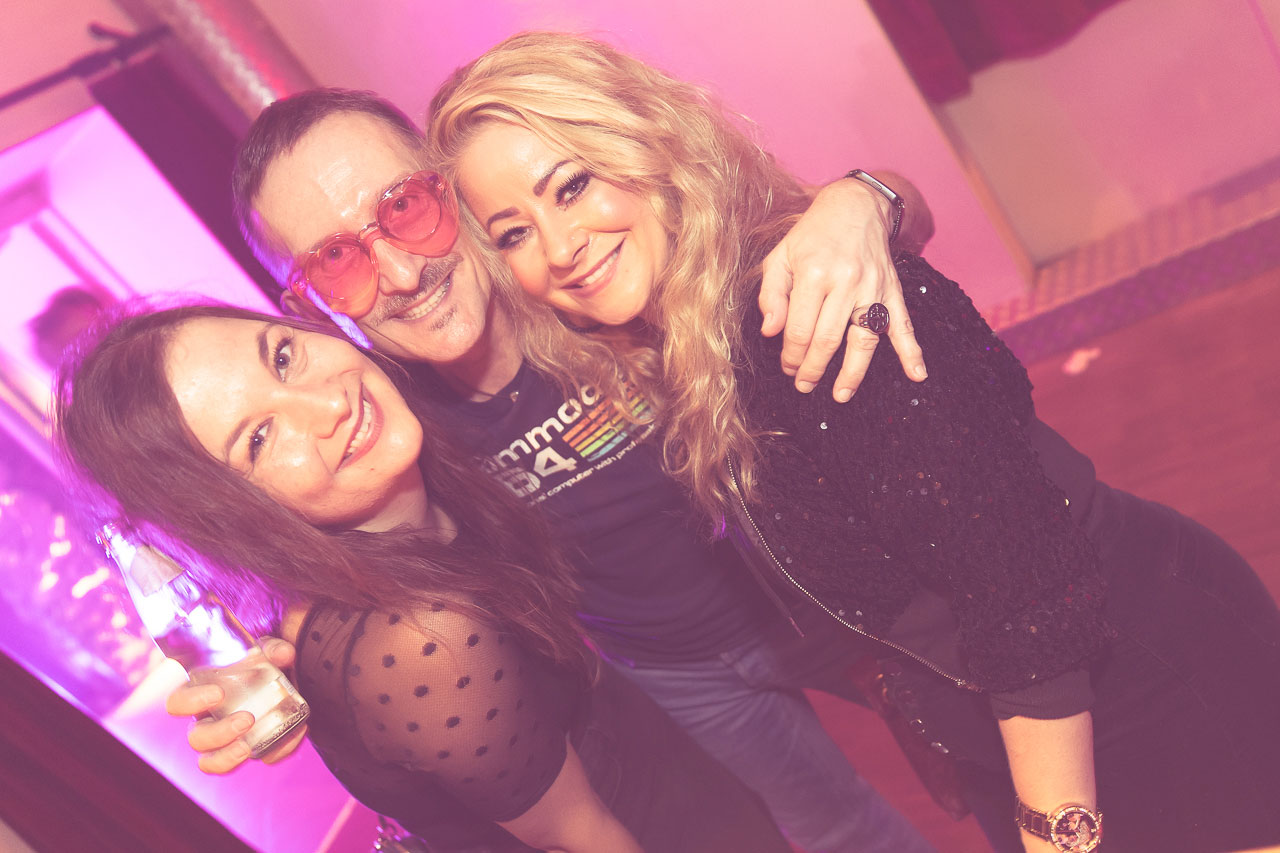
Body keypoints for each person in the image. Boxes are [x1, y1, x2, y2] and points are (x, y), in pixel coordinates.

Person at [426, 32, 1280, 853]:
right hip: (1019, 721)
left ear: (647, 146)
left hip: (1145, 685)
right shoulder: (686, 336)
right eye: (513, 232)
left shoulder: (796, 311)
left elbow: (1026, 595)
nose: (559, 247)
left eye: (572, 185)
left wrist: (1054, 833)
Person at [166, 88, 939, 851]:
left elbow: (880, 215)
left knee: (980, 730)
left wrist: (860, 203)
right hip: (681, 669)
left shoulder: (589, 262)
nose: (401, 273)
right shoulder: (381, 422)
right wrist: (276, 651)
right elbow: (334, 549)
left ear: (451, 187)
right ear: (310, 306)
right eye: (338, 258)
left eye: (403, 206)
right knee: (838, 824)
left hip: (822, 580)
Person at [57, 302, 795, 853]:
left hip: (649, 761)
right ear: (229, 516)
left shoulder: (407, 467)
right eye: (258, 438)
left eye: (282, 357)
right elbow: (582, 835)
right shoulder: (423, 639)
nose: (327, 403)